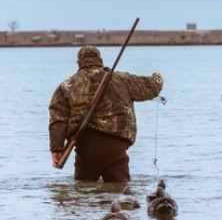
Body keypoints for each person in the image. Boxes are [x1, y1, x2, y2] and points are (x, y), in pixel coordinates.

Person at [48, 45, 163, 182]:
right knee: (121, 194)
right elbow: (151, 87)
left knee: (83, 193)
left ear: (79, 62)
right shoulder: (121, 79)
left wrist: (56, 148)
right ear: (100, 59)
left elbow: (58, 120)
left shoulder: (66, 86)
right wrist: (157, 77)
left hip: (85, 147)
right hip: (116, 146)